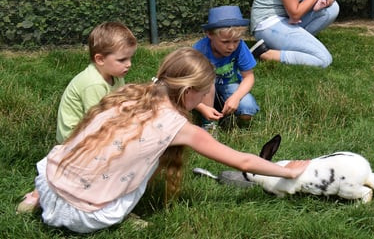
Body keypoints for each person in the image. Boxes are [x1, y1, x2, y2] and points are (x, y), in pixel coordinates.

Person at [16, 48, 309, 233]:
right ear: (190, 91)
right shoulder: (181, 127)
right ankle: (115, 211)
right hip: (85, 215)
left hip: (50, 180)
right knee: (142, 170)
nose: (207, 97)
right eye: (206, 92)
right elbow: (243, 160)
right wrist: (290, 171)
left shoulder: (130, 92)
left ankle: (40, 200)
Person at [56, 22, 138, 144]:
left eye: (130, 58)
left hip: (95, 126)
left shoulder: (116, 74)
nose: (129, 64)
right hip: (74, 139)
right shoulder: (94, 84)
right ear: (100, 59)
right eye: (122, 60)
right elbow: (97, 121)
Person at [192, 5, 260, 128]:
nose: (231, 47)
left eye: (236, 41)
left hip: (229, 84)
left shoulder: (240, 47)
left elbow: (249, 77)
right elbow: (185, 84)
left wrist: (236, 97)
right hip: (203, 88)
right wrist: (201, 107)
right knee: (208, 83)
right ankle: (209, 125)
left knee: (247, 110)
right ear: (209, 34)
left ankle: (224, 108)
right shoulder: (198, 51)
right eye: (225, 42)